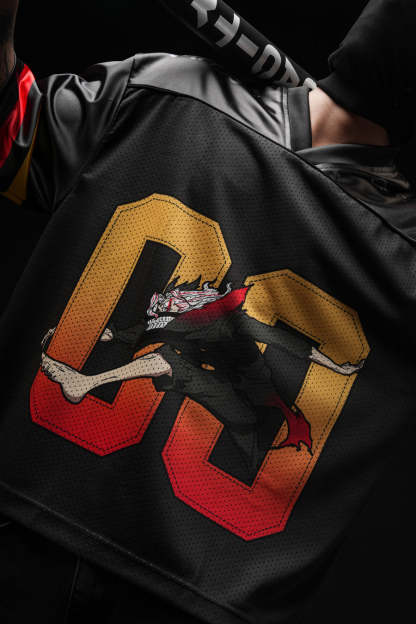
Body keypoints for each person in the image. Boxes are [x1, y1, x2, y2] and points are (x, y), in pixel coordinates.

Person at [1, 1, 416, 623]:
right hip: (186, 594)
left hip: (41, 534)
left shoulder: (169, 91)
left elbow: (11, 134)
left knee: (174, 359)